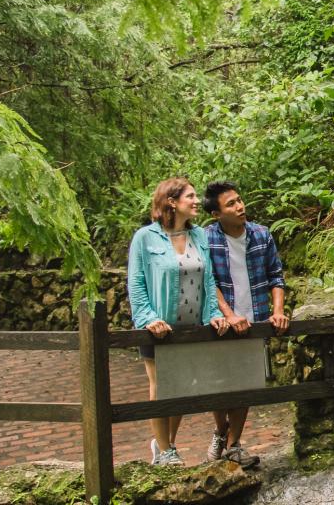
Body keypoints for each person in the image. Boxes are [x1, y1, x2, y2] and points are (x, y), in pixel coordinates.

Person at [128, 177, 227, 466]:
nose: (197, 201)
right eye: (191, 196)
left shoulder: (200, 237)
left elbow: (208, 280)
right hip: (159, 329)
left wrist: (213, 315)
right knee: (161, 387)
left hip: (191, 327)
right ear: (172, 202)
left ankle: (165, 445)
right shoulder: (145, 238)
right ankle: (166, 449)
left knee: (182, 387)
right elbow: (136, 284)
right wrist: (148, 319)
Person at [201, 180, 288, 468]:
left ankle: (234, 444)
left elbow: (276, 276)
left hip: (255, 320)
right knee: (219, 385)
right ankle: (220, 431)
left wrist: (277, 311)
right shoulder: (206, 238)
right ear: (216, 214)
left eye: (239, 200)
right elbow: (207, 280)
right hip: (221, 323)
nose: (240, 207)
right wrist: (227, 313)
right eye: (231, 204)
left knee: (245, 385)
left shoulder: (261, 235)